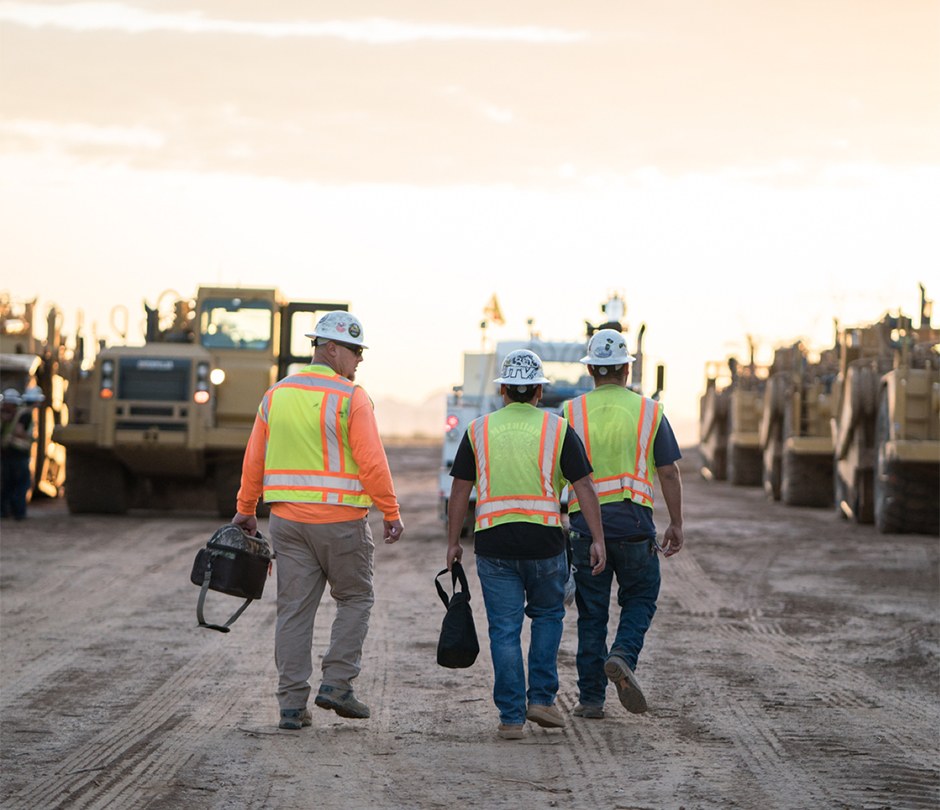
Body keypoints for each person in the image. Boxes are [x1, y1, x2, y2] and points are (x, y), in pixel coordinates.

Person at [232, 311, 405, 731]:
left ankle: (292, 707)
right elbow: (372, 462)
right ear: (330, 348)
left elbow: (254, 456)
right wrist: (391, 511)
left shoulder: (276, 395)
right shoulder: (351, 397)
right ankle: (338, 684)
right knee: (356, 599)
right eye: (355, 350)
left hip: (288, 523)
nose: (359, 359)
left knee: (293, 612)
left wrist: (246, 508)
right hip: (341, 522)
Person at [446, 349, 606, 741]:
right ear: (538, 391)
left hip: (494, 543)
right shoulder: (558, 428)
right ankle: (542, 699)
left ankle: (511, 718)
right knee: (548, 617)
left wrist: (453, 542)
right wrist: (598, 538)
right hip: (545, 542)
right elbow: (584, 485)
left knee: (504, 629)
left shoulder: (478, 429)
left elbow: (459, 489)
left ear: (503, 392)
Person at [563, 329, 685, 719]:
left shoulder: (571, 412)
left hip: (586, 528)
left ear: (591, 371)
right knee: (641, 598)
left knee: (592, 612)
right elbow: (668, 471)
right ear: (627, 368)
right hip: (634, 525)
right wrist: (676, 523)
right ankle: (623, 654)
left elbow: (554, 472)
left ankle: (591, 700)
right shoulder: (649, 411)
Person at [1, 388, 34, 520]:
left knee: (7, 485)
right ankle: (18, 513)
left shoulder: (5, 416)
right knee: (21, 485)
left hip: (6, 454)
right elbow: (19, 431)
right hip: (18, 455)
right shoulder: (23, 415)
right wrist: (31, 438)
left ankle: (4, 512)